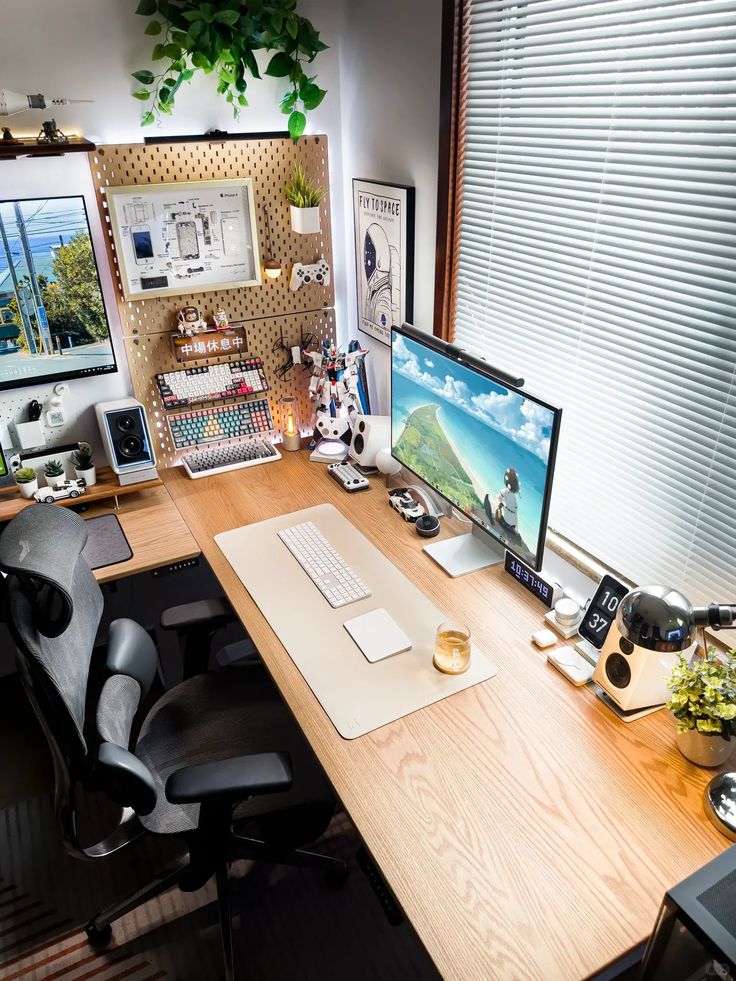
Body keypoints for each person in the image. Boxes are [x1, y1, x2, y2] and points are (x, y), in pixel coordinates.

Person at [484, 467, 520, 533]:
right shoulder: (513, 496)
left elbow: (497, 497)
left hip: (505, 523)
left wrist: (500, 505)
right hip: (512, 527)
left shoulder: (505, 491)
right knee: (504, 506)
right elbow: (515, 514)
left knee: (496, 503)